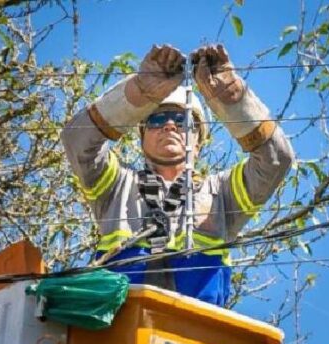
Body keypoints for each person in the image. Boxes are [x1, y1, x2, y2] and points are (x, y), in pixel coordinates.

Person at [61, 44, 294, 306]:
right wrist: (138, 92)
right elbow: (76, 140)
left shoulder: (222, 193)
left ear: (199, 141)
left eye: (182, 120)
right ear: (142, 138)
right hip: (121, 323)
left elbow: (276, 159)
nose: (169, 125)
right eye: (157, 119)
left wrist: (231, 98)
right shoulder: (117, 186)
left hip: (195, 326)